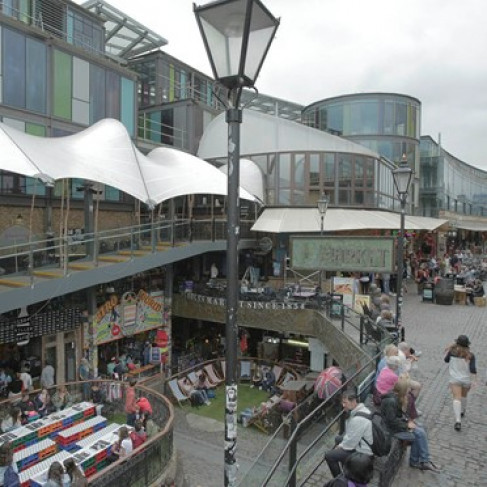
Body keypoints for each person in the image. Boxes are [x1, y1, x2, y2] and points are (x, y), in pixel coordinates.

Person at [381, 378, 439, 472]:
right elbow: (391, 422)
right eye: (408, 388)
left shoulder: (398, 397)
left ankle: (416, 461)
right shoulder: (390, 402)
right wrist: (407, 425)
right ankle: (423, 461)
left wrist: (408, 421)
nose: (410, 389)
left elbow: (399, 415)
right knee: (419, 433)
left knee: (421, 428)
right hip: (390, 430)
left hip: (397, 425)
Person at [324, 390, 373, 478]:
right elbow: (351, 435)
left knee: (329, 456)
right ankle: (346, 469)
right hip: (360, 443)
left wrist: (340, 446)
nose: (343, 405)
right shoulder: (362, 409)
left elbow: (350, 443)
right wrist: (341, 444)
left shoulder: (357, 419)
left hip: (362, 451)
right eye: (342, 402)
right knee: (338, 439)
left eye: (345, 402)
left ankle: (339, 479)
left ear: (353, 401)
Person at [444, 334, 477, 431]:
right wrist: (474, 380)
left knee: (456, 398)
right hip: (466, 379)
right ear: (467, 345)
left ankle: (458, 421)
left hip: (455, 379)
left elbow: (446, 360)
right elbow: (473, 369)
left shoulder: (452, 352)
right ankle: (462, 411)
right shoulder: (470, 355)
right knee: (464, 396)